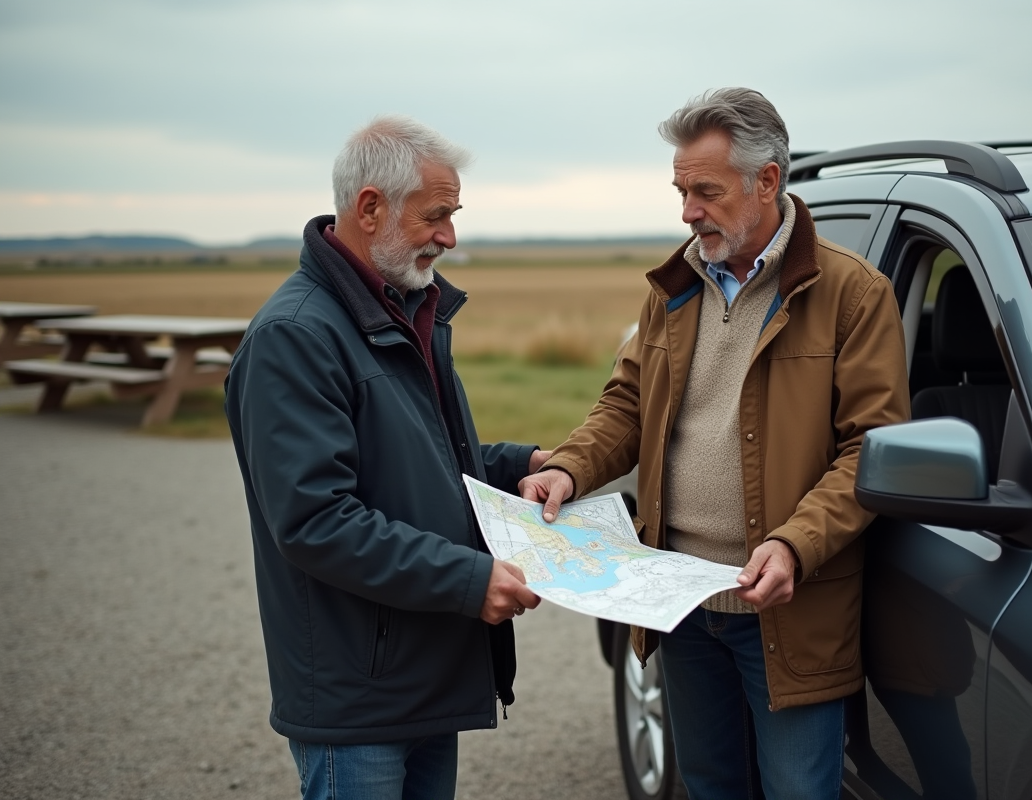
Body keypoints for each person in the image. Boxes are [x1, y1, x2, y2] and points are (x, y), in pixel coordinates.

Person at [519, 88, 911, 800]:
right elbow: (628, 403)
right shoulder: (675, 286)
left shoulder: (855, 295)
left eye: (704, 191)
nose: (687, 211)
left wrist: (795, 544)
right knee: (709, 787)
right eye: (680, 190)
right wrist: (570, 470)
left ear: (767, 181)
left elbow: (871, 448)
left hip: (789, 613)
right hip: (680, 605)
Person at [225, 115, 544, 800]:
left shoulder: (404, 311)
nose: (450, 237)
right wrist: (468, 580)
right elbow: (316, 520)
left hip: (425, 673)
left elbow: (427, 462)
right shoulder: (296, 336)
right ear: (370, 208)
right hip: (359, 698)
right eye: (437, 216)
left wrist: (524, 464)